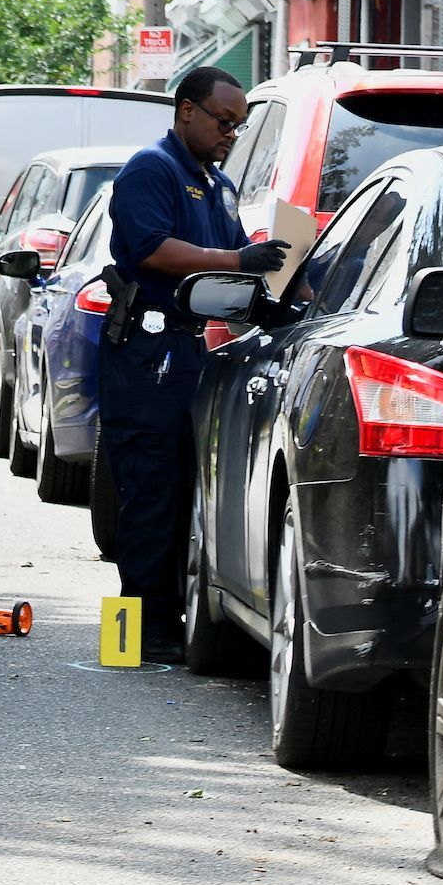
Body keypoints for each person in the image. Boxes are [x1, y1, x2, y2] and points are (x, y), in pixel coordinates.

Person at [98, 66, 289, 663]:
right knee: (147, 490)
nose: (232, 133)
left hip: (186, 349)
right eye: (223, 121)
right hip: (145, 351)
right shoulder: (151, 169)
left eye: (240, 125)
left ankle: (164, 622)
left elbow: (233, 270)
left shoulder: (218, 183)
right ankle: (128, 637)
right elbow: (153, 251)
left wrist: (277, 303)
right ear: (186, 110)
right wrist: (239, 257)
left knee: (181, 486)